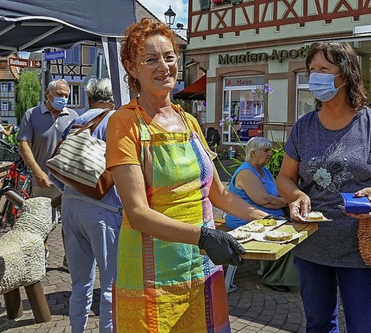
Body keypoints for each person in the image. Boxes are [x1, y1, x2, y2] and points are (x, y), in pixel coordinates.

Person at [106, 18, 273, 333]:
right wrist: (205, 236)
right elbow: (138, 213)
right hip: (151, 274)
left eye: (169, 57)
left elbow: (220, 195)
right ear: (131, 66)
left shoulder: (190, 122)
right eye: (151, 59)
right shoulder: (124, 123)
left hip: (202, 270)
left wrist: (267, 219)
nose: (164, 66)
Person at [276, 42, 371, 332]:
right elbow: (284, 178)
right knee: (319, 324)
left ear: (344, 76)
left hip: (361, 248)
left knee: (365, 326)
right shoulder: (304, 127)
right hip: (311, 246)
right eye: (312, 70)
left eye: (323, 69)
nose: (314, 76)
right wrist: (295, 194)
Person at [52, 78, 121, 332]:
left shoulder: (74, 122)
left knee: (79, 283)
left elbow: (57, 169)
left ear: (90, 98)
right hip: (104, 208)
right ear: (113, 99)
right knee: (110, 286)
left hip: (70, 205)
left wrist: (71, 193)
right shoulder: (117, 121)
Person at [224, 137, 298, 292]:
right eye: (266, 150)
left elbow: (276, 193)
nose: (270, 153)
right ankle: (274, 278)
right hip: (247, 219)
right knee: (287, 235)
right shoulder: (246, 172)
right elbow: (264, 200)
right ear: (253, 153)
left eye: (270, 150)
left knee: (297, 231)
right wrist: (289, 201)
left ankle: (277, 273)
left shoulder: (263, 170)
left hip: (268, 218)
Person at [17, 79, 78, 198]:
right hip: (42, 182)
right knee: (42, 215)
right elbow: (24, 146)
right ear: (47, 93)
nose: (63, 99)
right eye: (60, 94)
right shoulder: (32, 114)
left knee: (65, 217)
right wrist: (37, 172)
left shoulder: (73, 116)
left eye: (66, 96)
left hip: (66, 182)